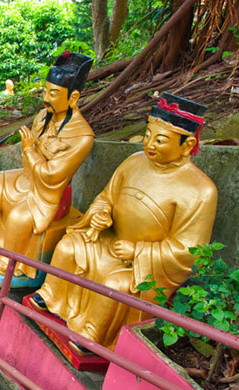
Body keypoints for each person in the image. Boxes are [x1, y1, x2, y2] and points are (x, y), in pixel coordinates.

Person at [30, 93, 217, 353]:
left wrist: (138, 251)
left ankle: (92, 334)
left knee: (114, 285)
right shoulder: (133, 161)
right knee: (69, 246)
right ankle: (51, 295)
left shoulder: (200, 190)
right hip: (110, 240)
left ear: (187, 145)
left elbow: (189, 250)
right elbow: (106, 197)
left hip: (142, 263)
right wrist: (99, 213)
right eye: (148, 135)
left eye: (160, 140)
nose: (149, 144)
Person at [0, 51, 95, 279]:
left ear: (72, 98)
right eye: (45, 91)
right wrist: (30, 153)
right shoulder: (43, 116)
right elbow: (28, 162)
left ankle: (10, 258)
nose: (46, 98)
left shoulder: (82, 136)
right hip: (27, 177)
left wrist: (29, 150)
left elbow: (52, 176)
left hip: (50, 194)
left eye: (54, 94)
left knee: (18, 218)